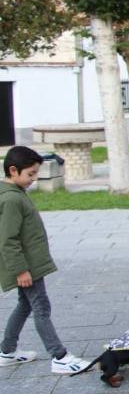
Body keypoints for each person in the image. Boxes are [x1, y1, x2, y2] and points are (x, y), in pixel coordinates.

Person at [0, 146, 88, 374]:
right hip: (26, 267)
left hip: (29, 265)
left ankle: (6, 351)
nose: (33, 179)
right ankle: (58, 356)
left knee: (25, 304)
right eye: (30, 174)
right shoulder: (11, 200)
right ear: (12, 170)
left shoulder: (15, 195)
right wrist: (21, 270)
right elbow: (8, 239)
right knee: (41, 306)